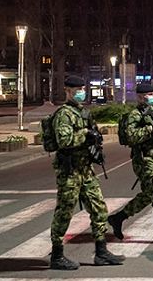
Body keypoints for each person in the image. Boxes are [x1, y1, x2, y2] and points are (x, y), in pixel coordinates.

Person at [49, 75, 125, 269]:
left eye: (82, 89)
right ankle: (57, 255)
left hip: (86, 169)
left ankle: (101, 252)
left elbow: (93, 135)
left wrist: (95, 145)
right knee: (64, 212)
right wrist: (85, 135)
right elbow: (64, 141)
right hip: (70, 171)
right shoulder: (64, 114)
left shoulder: (83, 112)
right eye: (77, 90)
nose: (81, 93)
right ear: (67, 91)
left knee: (99, 208)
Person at [107, 83, 153, 244]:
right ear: (140, 97)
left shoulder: (152, 112)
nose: (152, 96)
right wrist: (150, 130)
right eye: (149, 94)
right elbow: (131, 136)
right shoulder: (135, 115)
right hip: (143, 160)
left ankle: (118, 218)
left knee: (149, 194)